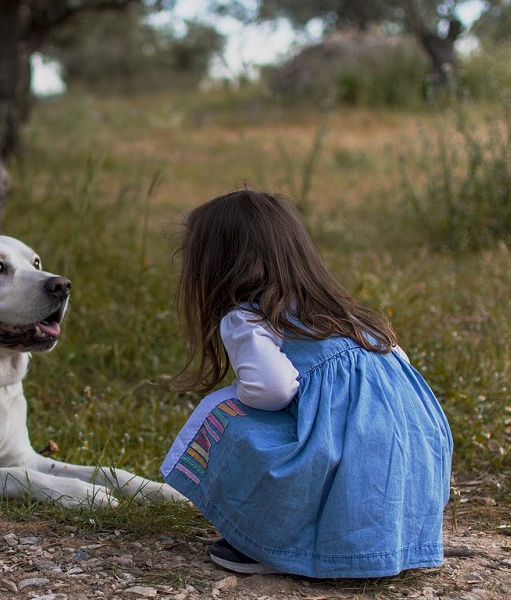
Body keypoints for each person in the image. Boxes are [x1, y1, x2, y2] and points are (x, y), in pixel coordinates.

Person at [160, 189, 452, 578]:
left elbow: (273, 389)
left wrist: (242, 397)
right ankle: (383, 540)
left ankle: (272, 543)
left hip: (348, 460)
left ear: (217, 266)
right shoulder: (346, 313)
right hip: (412, 459)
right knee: (345, 436)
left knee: (224, 413)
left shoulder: (248, 318)